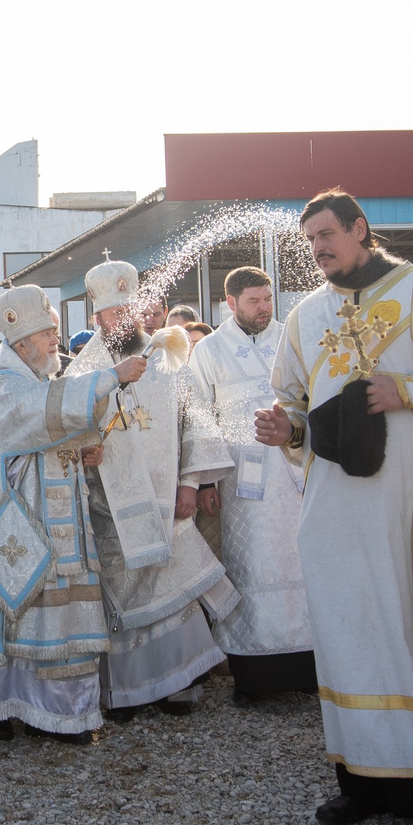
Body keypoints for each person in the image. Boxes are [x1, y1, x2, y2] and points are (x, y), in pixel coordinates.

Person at [261, 189, 413, 825]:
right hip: (337, 500)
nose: (317, 248)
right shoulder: (305, 316)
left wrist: (412, 389)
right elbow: (292, 399)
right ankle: (361, 775)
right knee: (350, 624)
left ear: (360, 228)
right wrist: (283, 429)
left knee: (408, 611)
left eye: (327, 234)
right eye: (309, 239)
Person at [0, 285, 139, 740]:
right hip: (22, 523)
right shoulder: (6, 386)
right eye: (48, 333)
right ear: (21, 342)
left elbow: (57, 426)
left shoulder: (38, 380)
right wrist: (112, 376)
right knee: (17, 613)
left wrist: (87, 446)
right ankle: (1, 706)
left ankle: (56, 712)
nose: (56, 340)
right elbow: (36, 419)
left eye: (55, 332)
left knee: (52, 617)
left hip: (59, 518)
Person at [71, 260, 238, 719]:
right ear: (97, 317)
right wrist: (83, 453)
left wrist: (190, 483)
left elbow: (195, 423)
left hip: (167, 499)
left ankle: (176, 684)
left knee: (170, 590)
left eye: (128, 308)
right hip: (108, 507)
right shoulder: (82, 373)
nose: (121, 318)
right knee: (121, 592)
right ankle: (125, 691)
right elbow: (68, 433)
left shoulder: (168, 359)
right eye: (111, 312)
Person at [190, 267, 316, 702]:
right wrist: (205, 480)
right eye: (253, 302)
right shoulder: (208, 349)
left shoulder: (291, 338)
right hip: (242, 480)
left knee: (301, 562)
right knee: (251, 565)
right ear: (232, 303)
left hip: (295, 472)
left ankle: (309, 670)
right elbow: (200, 418)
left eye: (267, 300)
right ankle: (256, 677)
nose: (263, 309)